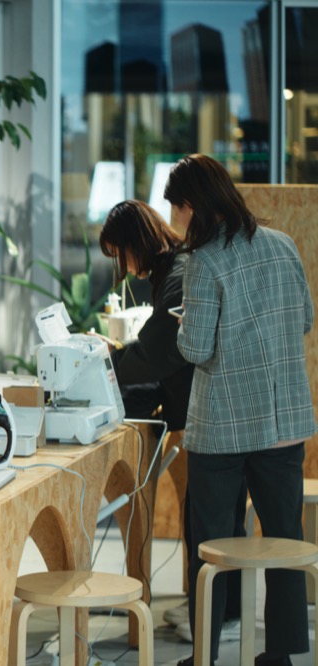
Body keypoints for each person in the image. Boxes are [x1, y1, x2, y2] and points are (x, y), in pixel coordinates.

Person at [166, 154, 316, 666]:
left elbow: (198, 349)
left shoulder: (204, 261)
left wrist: (184, 323)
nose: (175, 219)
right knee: (283, 540)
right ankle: (283, 653)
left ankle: (205, 653)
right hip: (283, 424)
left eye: (176, 209)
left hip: (222, 431)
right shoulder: (283, 244)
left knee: (210, 542)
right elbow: (306, 319)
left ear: (191, 205)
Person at [98, 200, 246, 644]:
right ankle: (212, 610)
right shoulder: (174, 271)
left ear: (134, 243)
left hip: (206, 413)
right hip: (195, 408)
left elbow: (160, 350)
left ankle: (221, 617)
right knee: (206, 518)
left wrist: (108, 361)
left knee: (209, 521)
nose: (122, 267)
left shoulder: (179, 274)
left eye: (120, 254)